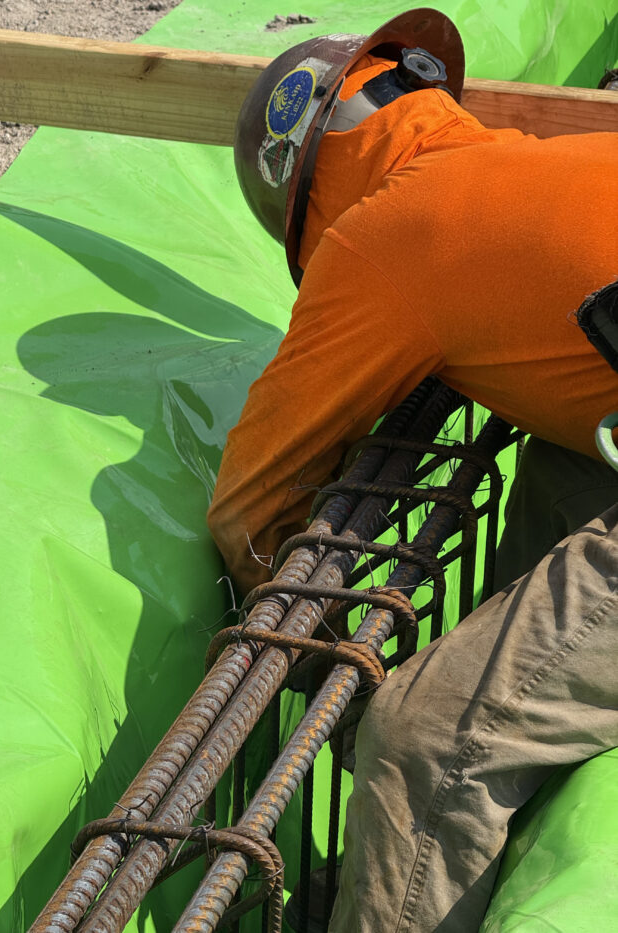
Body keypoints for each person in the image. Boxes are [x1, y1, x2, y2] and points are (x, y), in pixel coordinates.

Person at [206, 9, 618, 930]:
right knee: (559, 462)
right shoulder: (541, 163)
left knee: (423, 741)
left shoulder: (380, 231)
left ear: (305, 202)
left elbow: (251, 501)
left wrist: (319, 663)